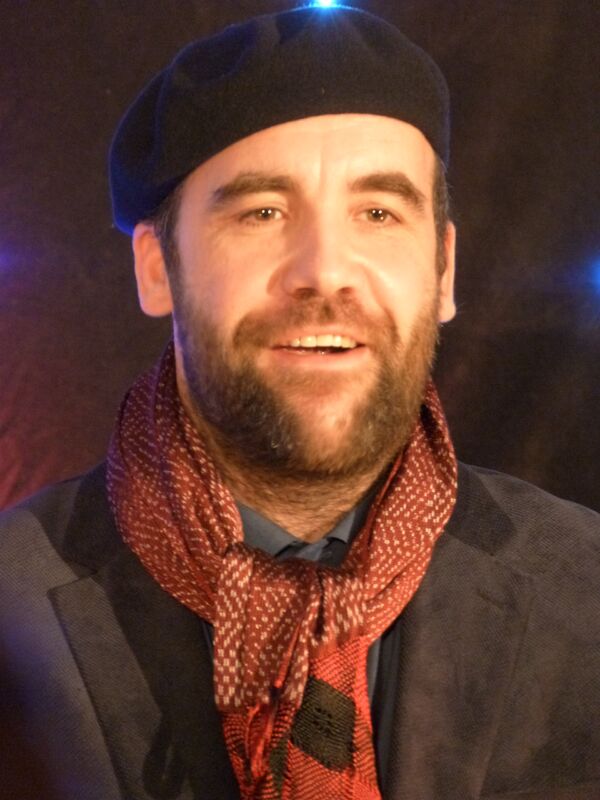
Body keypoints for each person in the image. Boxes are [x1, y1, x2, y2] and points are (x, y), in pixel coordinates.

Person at [1, 6, 599, 800]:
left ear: (444, 270)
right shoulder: (10, 615)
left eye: (378, 213)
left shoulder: (586, 591)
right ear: (156, 267)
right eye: (262, 212)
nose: (324, 271)